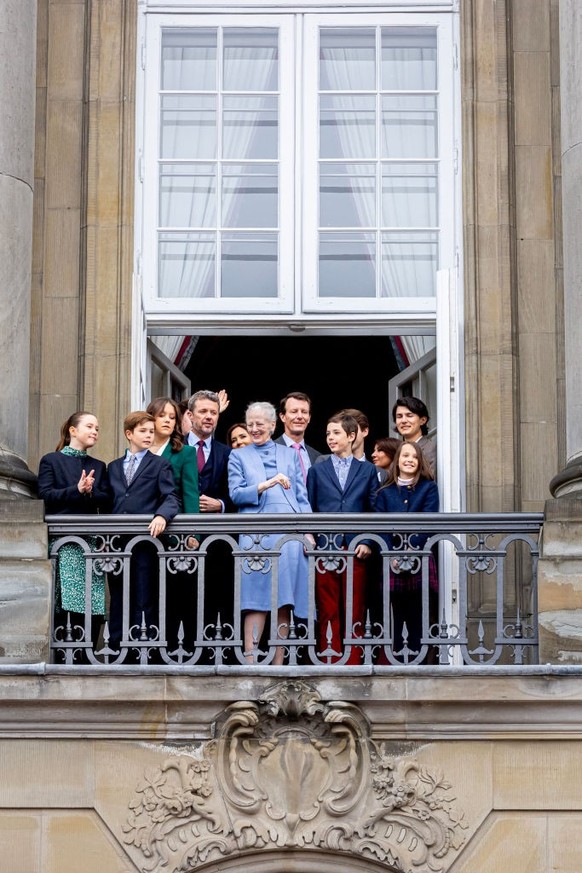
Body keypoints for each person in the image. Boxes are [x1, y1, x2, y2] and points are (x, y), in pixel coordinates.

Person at [228, 401, 311, 664]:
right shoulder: (238, 455)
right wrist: (266, 484)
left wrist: (308, 532)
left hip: (288, 533)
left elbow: (301, 496)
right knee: (254, 598)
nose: (254, 429)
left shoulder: (289, 455)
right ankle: (251, 663)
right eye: (250, 424)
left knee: (284, 599)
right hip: (255, 533)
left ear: (273, 426)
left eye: (259, 424)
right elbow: (236, 494)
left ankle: (279, 664)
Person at [306, 413, 378, 664]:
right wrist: (311, 540)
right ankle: (330, 658)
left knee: (355, 606)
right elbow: (310, 509)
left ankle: (353, 661)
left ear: (351, 436)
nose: (330, 438)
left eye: (336, 433)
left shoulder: (368, 470)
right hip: (325, 548)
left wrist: (368, 542)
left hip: (355, 546)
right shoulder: (317, 470)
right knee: (327, 606)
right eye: (328, 433)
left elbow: (374, 509)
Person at [107, 411, 180, 652]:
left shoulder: (161, 464)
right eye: (143, 431)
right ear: (129, 434)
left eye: (151, 431)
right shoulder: (114, 467)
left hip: (146, 542)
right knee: (118, 594)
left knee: (143, 594)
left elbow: (171, 497)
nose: (149, 435)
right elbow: (110, 501)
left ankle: (144, 647)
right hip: (117, 542)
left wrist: (161, 515)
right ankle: (116, 647)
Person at [38, 412, 110, 647]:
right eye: (89, 426)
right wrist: (76, 489)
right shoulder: (51, 460)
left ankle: (87, 654)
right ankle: (66, 653)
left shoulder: (98, 466)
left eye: (97, 428)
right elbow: (45, 496)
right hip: (65, 542)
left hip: (91, 544)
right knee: (67, 603)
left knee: (94, 603)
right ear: (72, 430)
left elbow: (106, 499)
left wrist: (89, 492)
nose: (95, 432)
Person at [375, 440, 439, 660]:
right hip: (391, 560)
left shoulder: (429, 488)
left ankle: (417, 663)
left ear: (420, 461)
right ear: (397, 461)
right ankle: (396, 663)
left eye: (414, 457)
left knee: (418, 615)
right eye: (405, 456)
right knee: (395, 614)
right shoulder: (385, 492)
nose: (409, 460)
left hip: (420, 558)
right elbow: (380, 527)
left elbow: (429, 523)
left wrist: (411, 551)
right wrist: (392, 554)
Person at [147, 397, 200, 650]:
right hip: (142, 535)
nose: (168, 420)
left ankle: (180, 649)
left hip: (174, 534)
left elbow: (190, 493)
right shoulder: (139, 450)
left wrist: (193, 533)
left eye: (172, 417)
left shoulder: (185, 452)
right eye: (162, 416)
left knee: (177, 595)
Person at [275, 391, 321, 483]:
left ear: (309, 418)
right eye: (294, 411)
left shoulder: (318, 457)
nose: (300, 416)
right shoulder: (268, 451)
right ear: (282, 417)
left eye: (304, 412)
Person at [392, 396, 436, 474]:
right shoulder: (397, 450)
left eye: (409, 415)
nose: (403, 420)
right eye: (399, 416)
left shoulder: (431, 450)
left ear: (423, 420)